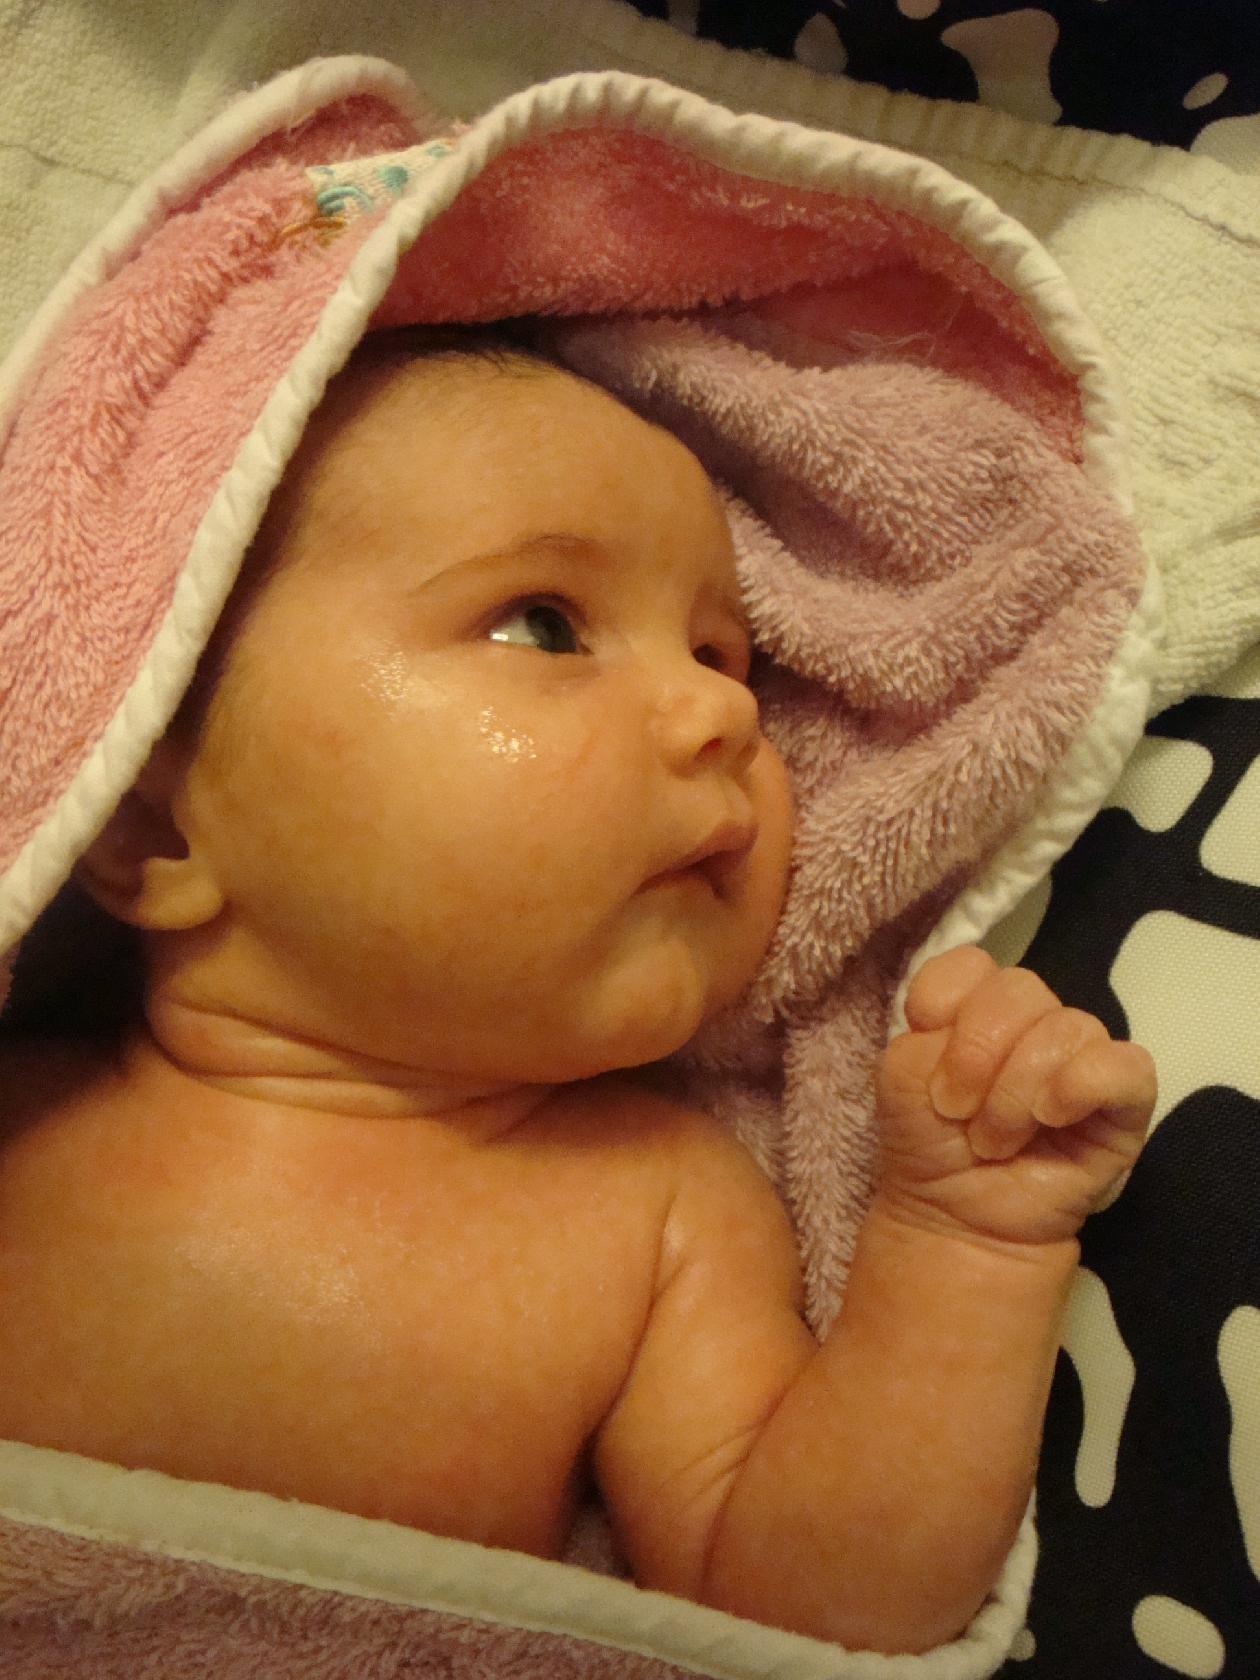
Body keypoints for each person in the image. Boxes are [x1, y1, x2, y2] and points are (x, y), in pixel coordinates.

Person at [0, 329, 1156, 1655]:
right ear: (153, 825)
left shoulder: (658, 1209)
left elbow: (809, 1611)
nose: (725, 718)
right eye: (543, 624)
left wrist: (964, 1244)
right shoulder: (27, 1124)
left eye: (723, 655)